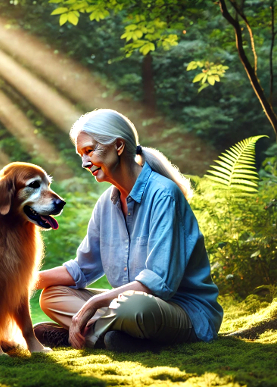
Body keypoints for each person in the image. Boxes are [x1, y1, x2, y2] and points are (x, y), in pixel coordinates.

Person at [34, 109, 223, 352]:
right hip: (127, 305)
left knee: (133, 308)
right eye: (81, 155)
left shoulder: (164, 194)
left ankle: (88, 335)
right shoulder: (106, 203)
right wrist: (27, 280)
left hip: (180, 310)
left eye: (89, 151)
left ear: (119, 146)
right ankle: (114, 337)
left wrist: (94, 303)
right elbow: (82, 268)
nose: (84, 163)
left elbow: (159, 283)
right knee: (51, 296)